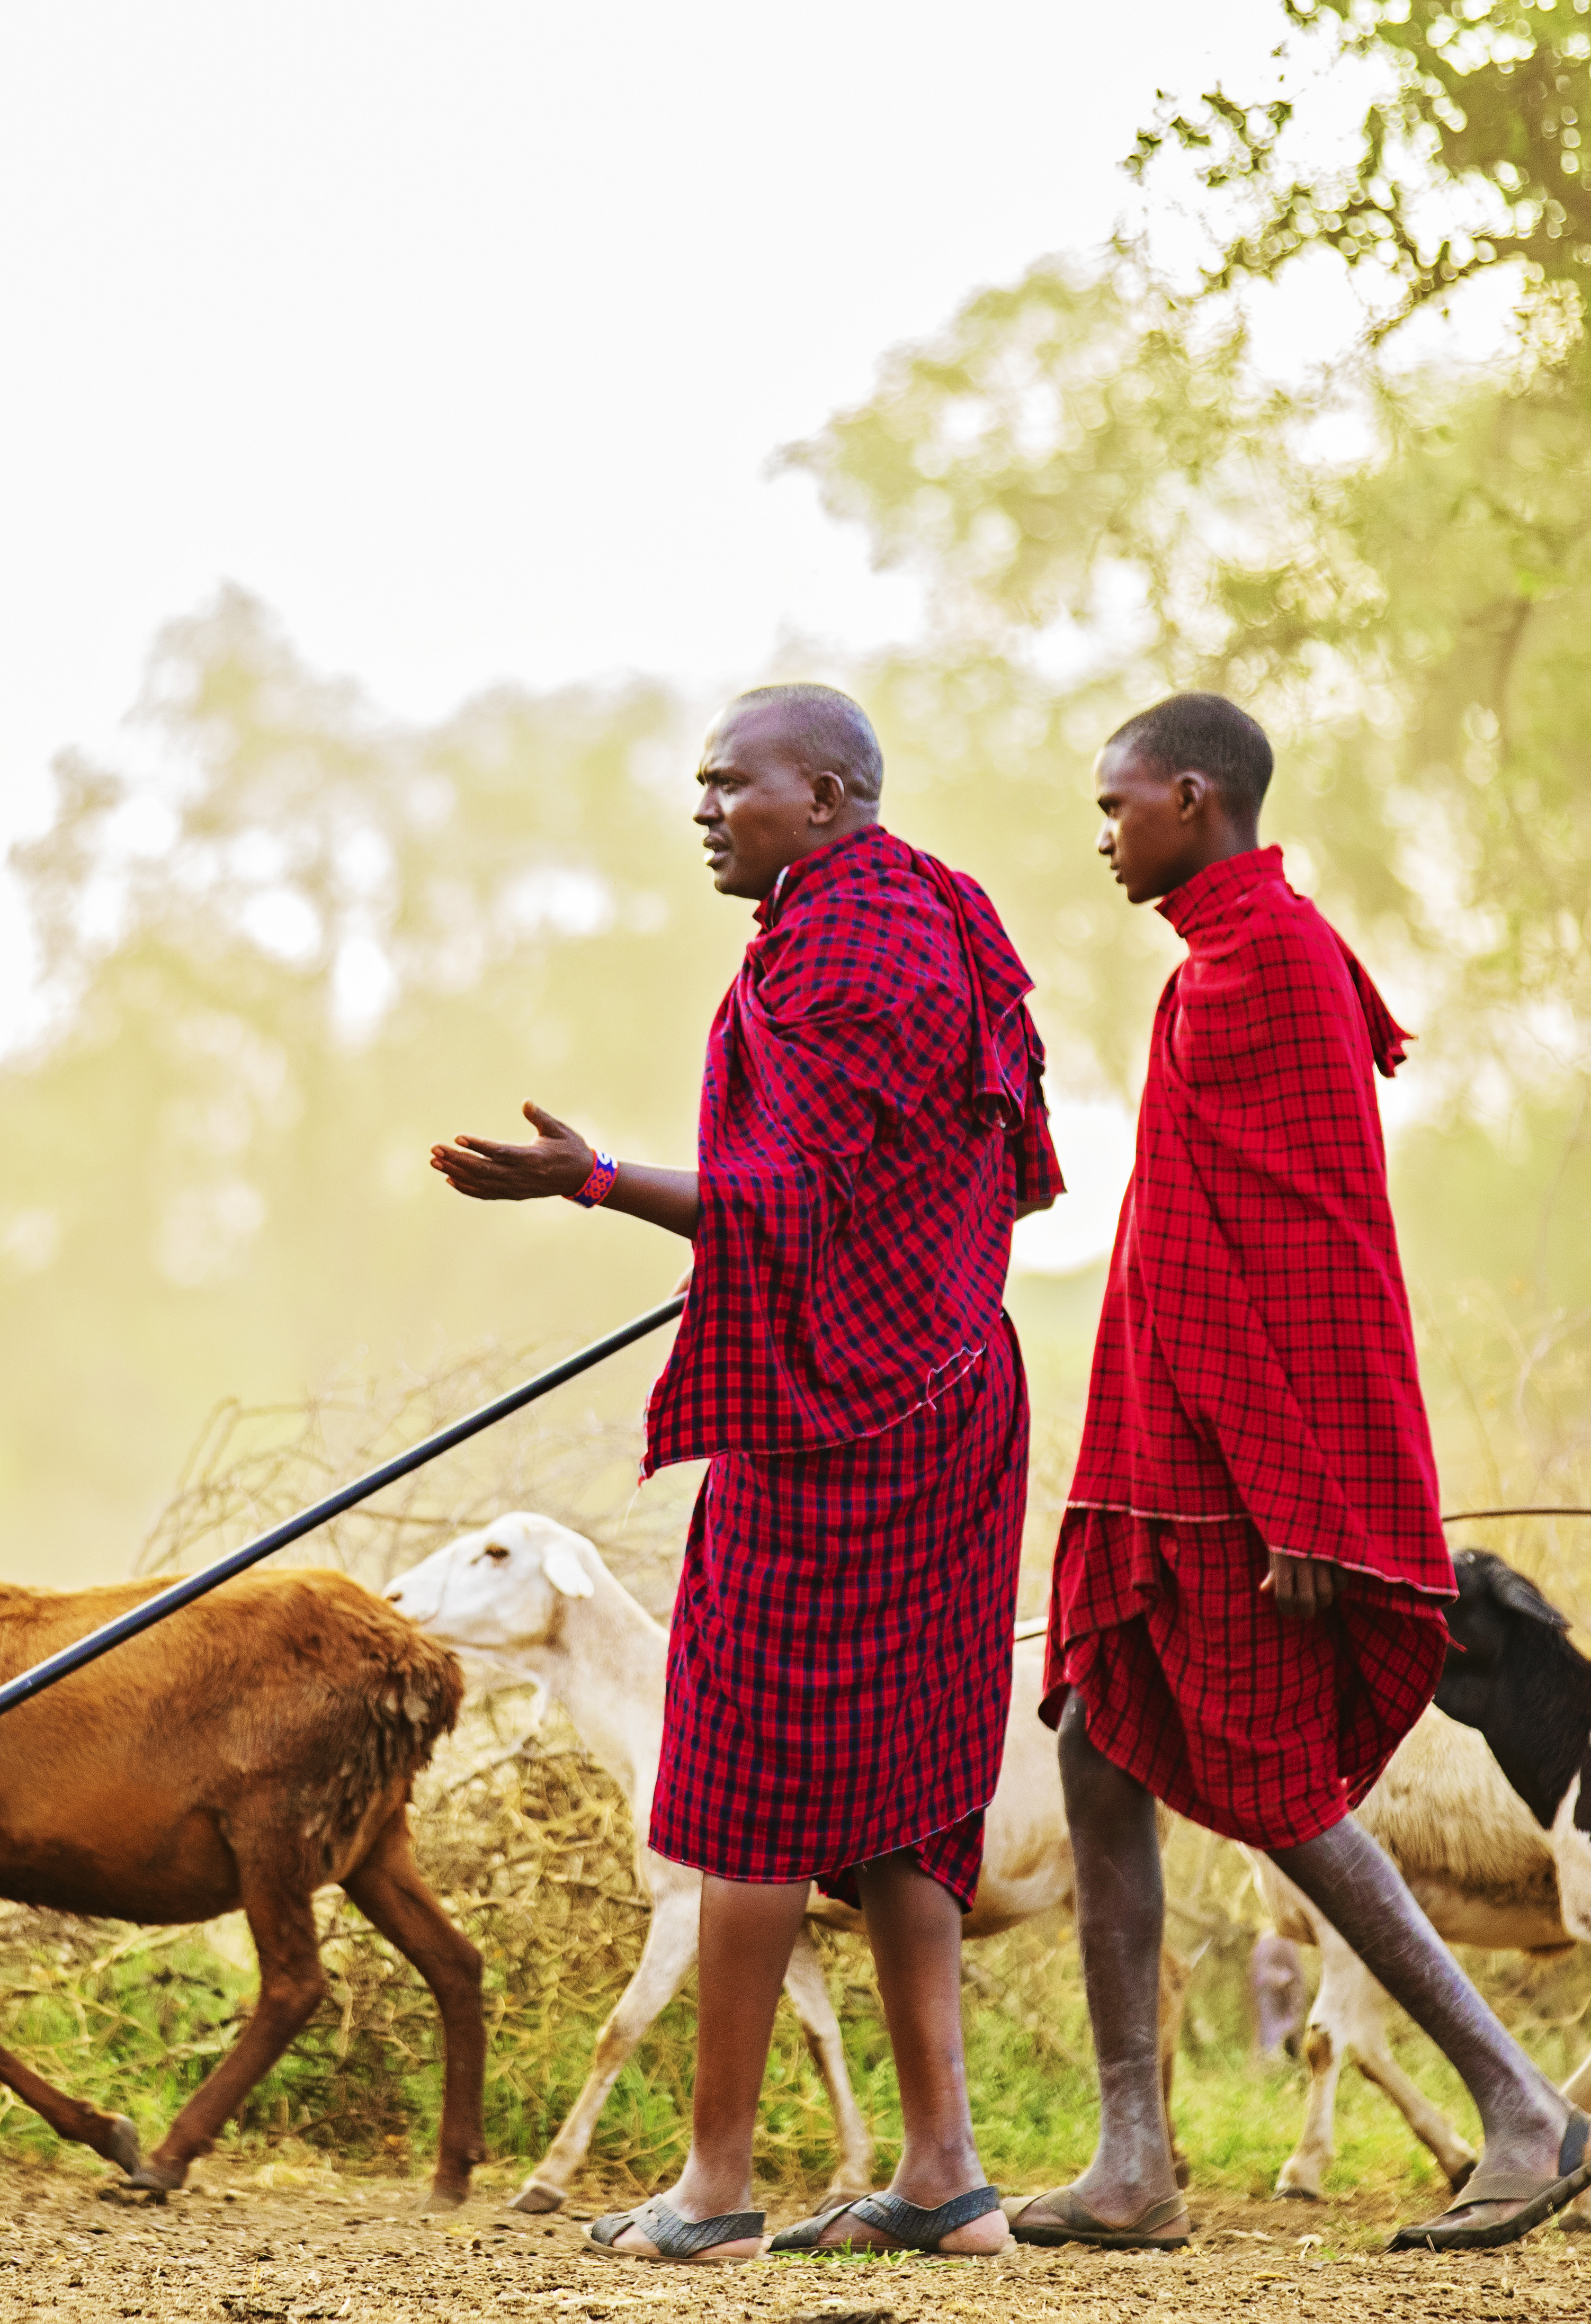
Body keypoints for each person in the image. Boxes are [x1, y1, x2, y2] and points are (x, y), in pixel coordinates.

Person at [429, 683, 1059, 2264]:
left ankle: (714, 2191)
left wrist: (593, 1181)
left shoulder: (852, 944)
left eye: (732, 784)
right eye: (700, 786)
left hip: (843, 1423)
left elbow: (791, 1196)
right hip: (946, 1385)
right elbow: (975, 1178)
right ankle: (945, 2180)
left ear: (832, 792)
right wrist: (872, 1263)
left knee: (747, 1791)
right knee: (907, 1795)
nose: (704, 809)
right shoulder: (940, 912)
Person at [1010, 692, 1591, 2255]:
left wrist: (1304, 1501)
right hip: (1167, 1450)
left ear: (1193, 798)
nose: (1102, 834)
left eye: (1117, 804)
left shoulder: (1264, 973)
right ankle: (1132, 2157)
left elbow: (1299, 1257)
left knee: (1273, 1785)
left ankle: (1525, 2108)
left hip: (1234, 1466)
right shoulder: (1229, 963)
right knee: (1093, 1736)